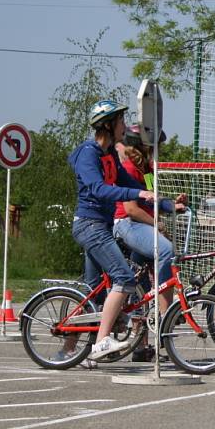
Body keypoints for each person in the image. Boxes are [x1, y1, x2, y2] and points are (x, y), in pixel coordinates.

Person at [68, 100, 156, 360]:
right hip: (89, 225)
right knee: (125, 278)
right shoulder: (88, 154)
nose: (123, 126)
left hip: (101, 227)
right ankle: (102, 342)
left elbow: (129, 184)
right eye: (120, 121)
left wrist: (166, 203)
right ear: (108, 125)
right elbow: (99, 189)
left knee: (93, 290)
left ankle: (70, 348)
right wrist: (138, 191)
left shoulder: (109, 157)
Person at [113, 124, 186, 362]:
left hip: (140, 225)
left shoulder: (146, 169)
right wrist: (157, 224)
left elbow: (151, 200)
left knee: (140, 285)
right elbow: (131, 209)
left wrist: (171, 205)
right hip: (127, 224)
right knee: (166, 250)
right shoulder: (128, 167)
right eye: (155, 145)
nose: (158, 150)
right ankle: (167, 313)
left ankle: (141, 347)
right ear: (143, 145)